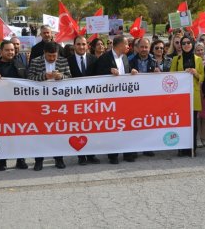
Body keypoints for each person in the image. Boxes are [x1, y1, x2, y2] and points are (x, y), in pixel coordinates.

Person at [0, 40, 30, 171]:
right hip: (0, 108)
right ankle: (2, 161)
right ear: (0, 52)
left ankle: (20, 159)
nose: (10, 52)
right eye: (7, 50)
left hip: (18, 107)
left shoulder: (20, 65)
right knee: (2, 135)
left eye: (12, 50)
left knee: (19, 134)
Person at [27, 41, 72, 170]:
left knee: (58, 131)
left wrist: (61, 77)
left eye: (54, 56)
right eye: (49, 56)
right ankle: (38, 160)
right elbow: (29, 78)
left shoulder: (63, 61)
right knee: (40, 132)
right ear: (44, 53)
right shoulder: (36, 61)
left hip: (58, 103)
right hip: (40, 103)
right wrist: (43, 76)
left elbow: (70, 78)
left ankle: (59, 159)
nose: (52, 58)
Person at [95, 35, 138, 164]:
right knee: (113, 127)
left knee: (126, 126)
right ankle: (113, 155)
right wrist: (108, 71)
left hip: (125, 99)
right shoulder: (105, 58)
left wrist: (132, 72)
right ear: (119, 45)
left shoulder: (125, 57)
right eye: (126, 44)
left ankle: (128, 153)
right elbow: (96, 75)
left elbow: (127, 73)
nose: (128, 47)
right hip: (110, 100)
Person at [67, 36, 101, 165]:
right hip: (74, 101)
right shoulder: (68, 60)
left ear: (87, 46)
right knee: (78, 129)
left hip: (91, 101)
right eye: (78, 44)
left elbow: (100, 77)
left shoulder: (94, 59)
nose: (81, 47)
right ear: (74, 45)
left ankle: (91, 155)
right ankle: (81, 156)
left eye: (83, 44)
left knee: (91, 128)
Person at [171, 36, 205, 157]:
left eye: (188, 43)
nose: (186, 45)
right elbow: (171, 76)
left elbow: (202, 77)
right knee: (181, 122)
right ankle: (181, 148)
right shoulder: (176, 59)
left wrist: (196, 73)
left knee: (193, 123)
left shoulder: (198, 60)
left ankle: (192, 147)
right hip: (180, 95)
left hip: (193, 94)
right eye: (183, 43)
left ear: (192, 44)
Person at [129, 37, 159, 157]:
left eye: (146, 47)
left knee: (148, 123)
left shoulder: (154, 61)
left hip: (148, 98)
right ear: (137, 48)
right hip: (133, 98)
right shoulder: (130, 60)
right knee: (134, 124)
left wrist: (158, 73)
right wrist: (130, 73)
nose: (144, 49)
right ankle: (134, 148)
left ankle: (147, 147)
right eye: (141, 47)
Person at [194, 42, 205, 148]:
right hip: (196, 89)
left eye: (202, 50)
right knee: (197, 114)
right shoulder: (193, 61)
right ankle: (197, 137)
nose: (200, 52)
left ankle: (204, 137)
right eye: (198, 50)